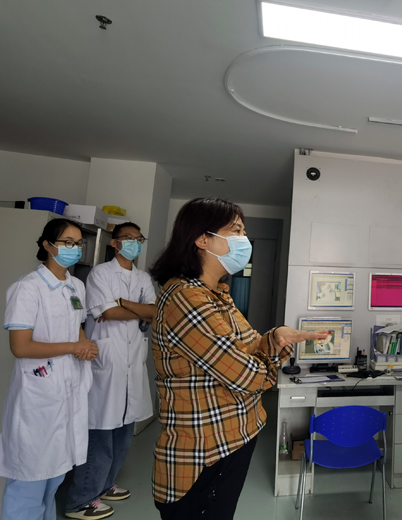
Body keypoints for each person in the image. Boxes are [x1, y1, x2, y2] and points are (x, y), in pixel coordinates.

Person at [148, 197, 327, 520]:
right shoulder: (185, 298)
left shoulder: (217, 293)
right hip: (204, 452)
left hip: (235, 438)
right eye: (236, 231)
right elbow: (248, 376)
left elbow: (251, 344)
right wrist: (269, 362)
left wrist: (274, 336)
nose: (244, 240)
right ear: (202, 239)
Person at [0, 218, 98, 520]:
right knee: (29, 478)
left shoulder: (76, 285)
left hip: (67, 391)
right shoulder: (27, 288)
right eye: (67, 242)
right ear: (48, 245)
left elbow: (77, 325)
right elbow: (21, 347)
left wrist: (84, 344)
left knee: (54, 476)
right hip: (38, 397)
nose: (74, 249)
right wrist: (73, 347)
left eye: (78, 243)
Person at [65, 222, 156, 519]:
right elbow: (105, 312)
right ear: (115, 243)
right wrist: (133, 310)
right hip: (107, 361)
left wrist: (122, 304)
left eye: (138, 239)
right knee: (101, 432)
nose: (134, 243)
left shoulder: (143, 277)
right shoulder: (100, 274)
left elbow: (154, 312)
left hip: (131, 361)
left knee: (124, 430)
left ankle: (104, 485)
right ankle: (81, 499)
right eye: (127, 238)